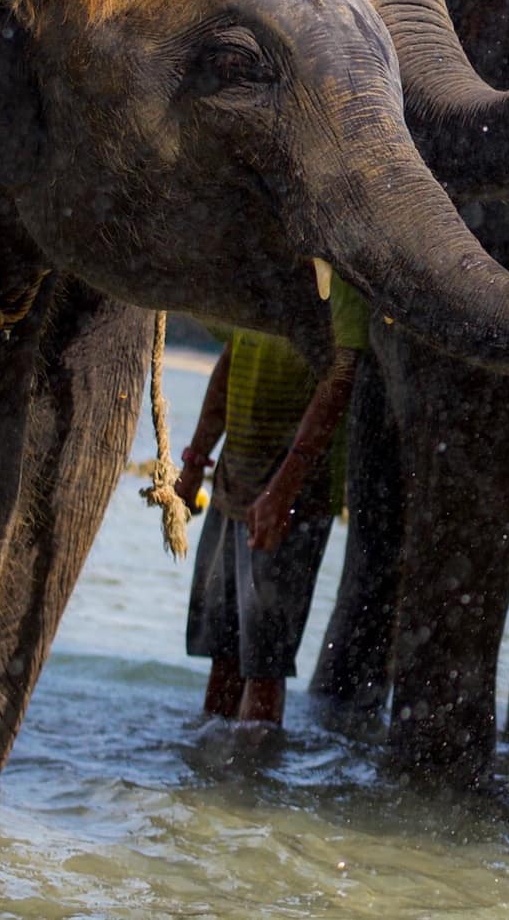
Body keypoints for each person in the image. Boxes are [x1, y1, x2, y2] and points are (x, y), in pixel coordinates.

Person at [177, 269, 372, 725]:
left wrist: (283, 489)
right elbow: (229, 358)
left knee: (264, 666)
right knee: (223, 654)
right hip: (233, 483)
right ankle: (206, 781)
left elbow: (339, 382)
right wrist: (195, 462)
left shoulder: (339, 281)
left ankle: (252, 779)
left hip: (293, 497)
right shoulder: (264, 266)